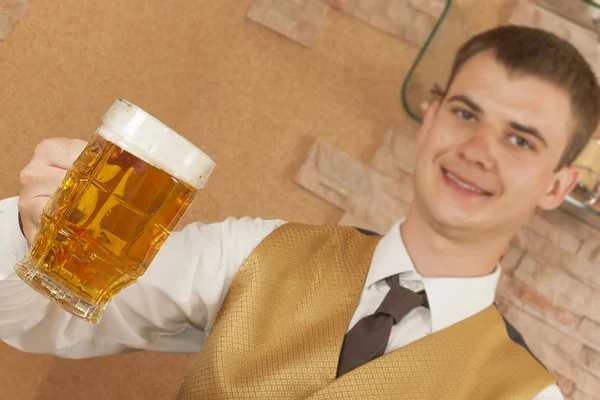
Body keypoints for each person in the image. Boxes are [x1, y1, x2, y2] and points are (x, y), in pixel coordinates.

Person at [0, 25, 598, 399]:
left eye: (521, 140)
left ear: (557, 184)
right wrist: (30, 231)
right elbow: (44, 319)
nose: (478, 151)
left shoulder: (525, 394)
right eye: (466, 114)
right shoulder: (253, 252)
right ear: (432, 119)